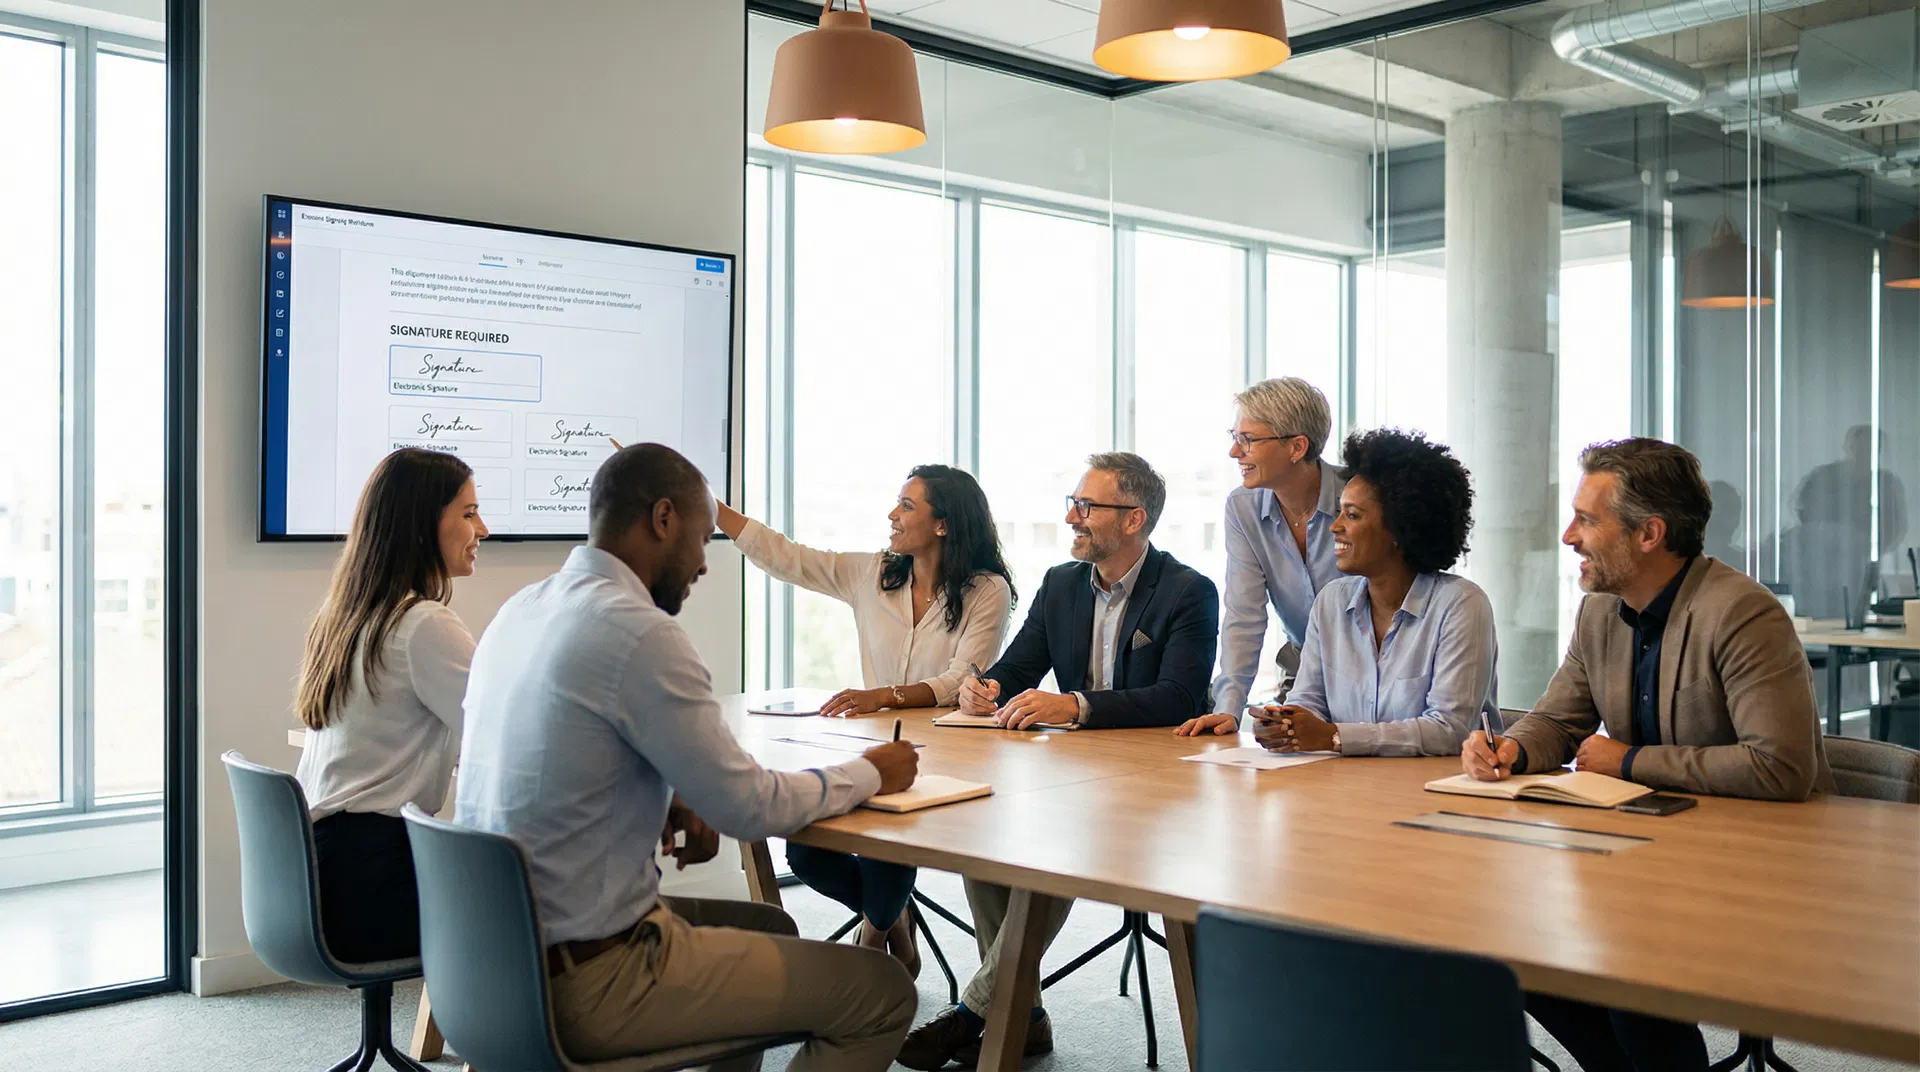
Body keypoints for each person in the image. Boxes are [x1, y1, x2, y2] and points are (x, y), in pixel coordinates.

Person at [455, 443, 920, 1072]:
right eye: (703, 538)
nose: (704, 563)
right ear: (663, 519)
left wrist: (675, 791)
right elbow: (751, 807)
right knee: (883, 992)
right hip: (592, 980)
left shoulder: (523, 610)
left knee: (770, 928)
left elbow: (579, 751)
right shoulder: (638, 631)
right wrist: (873, 771)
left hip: (490, 963)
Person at [1461, 437, 1834, 1072]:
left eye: (1587, 520)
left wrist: (1628, 761)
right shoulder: (1600, 610)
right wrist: (1513, 749)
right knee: (1515, 939)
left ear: (1649, 534)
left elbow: (1780, 767)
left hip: (1751, 867)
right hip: (1645, 856)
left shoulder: (1742, 614)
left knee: (1619, 959)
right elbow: (1559, 717)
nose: (1567, 536)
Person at [898, 452, 1219, 1071]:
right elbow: (1015, 670)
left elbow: (1177, 697)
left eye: (1086, 506)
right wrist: (983, 689)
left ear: (1134, 519)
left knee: (1053, 849)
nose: (1072, 516)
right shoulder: (1059, 584)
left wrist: (1073, 705)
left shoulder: (1188, 591)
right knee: (984, 836)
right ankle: (1025, 1014)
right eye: (1073, 502)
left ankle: (976, 1012)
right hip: (1071, 775)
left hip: (1158, 790)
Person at [717, 464, 1015, 977]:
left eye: (906, 506)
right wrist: (715, 512)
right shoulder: (876, 573)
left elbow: (960, 679)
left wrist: (885, 696)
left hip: (951, 752)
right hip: (876, 748)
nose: (892, 515)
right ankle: (892, 917)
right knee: (806, 852)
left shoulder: (988, 590)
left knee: (885, 848)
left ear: (943, 524)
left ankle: (872, 941)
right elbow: (790, 559)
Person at [293, 447, 486, 962]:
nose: (482, 529)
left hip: (316, 873)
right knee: (541, 897)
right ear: (423, 525)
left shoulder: (345, 616)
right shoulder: (424, 624)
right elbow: (499, 737)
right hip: (370, 882)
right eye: (468, 514)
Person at [1247, 429, 1496, 757]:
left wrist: (1335, 737)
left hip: (1435, 793)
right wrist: (1284, 722)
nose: (1334, 526)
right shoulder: (1332, 602)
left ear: (1399, 528)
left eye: (1352, 515)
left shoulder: (1461, 605)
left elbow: (1450, 729)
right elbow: (1308, 701)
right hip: (1348, 787)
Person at [1177, 377, 1345, 737]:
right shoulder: (1243, 508)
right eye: (1234, 437)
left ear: (1297, 446)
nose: (1234, 453)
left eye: (1248, 440)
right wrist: (1229, 709)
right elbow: (1244, 615)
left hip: (1377, 674)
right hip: (1303, 673)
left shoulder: (1359, 497)